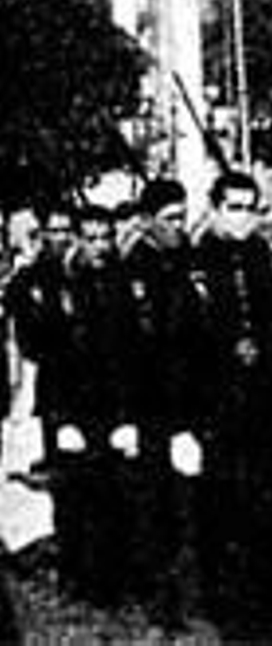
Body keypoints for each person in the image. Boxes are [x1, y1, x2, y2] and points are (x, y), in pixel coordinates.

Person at [187, 169, 272, 641]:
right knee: (229, 515)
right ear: (217, 209)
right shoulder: (193, 266)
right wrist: (187, 425)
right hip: (220, 411)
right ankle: (234, 617)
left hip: (271, 407)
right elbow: (177, 347)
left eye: (251, 208)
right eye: (234, 208)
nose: (244, 219)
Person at [121, 176, 203, 627]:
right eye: (171, 219)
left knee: (189, 508)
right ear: (147, 221)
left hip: (189, 403)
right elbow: (125, 352)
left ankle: (189, 601)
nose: (180, 225)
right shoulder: (134, 271)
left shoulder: (187, 262)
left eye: (183, 216)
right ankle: (163, 608)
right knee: (159, 513)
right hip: (152, 410)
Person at [53, 206, 137, 608]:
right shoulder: (64, 288)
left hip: (114, 405)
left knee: (116, 493)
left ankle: (115, 582)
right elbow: (54, 360)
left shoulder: (122, 285)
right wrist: (63, 419)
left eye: (106, 237)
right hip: (76, 407)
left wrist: (129, 415)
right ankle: (78, 581)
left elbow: (135, 353)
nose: (100, 246)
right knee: (76, 497)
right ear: (77, 240)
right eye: (92, 238)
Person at [4, 204, 75, 470]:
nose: (62, 237)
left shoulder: (80, 265)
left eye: (67, 230)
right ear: (44, 233)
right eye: (55, 231)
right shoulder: (38, 270)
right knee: (50, 404)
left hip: (80, 347)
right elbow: (16, 297)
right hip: (52, 350)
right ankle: (53, 453)